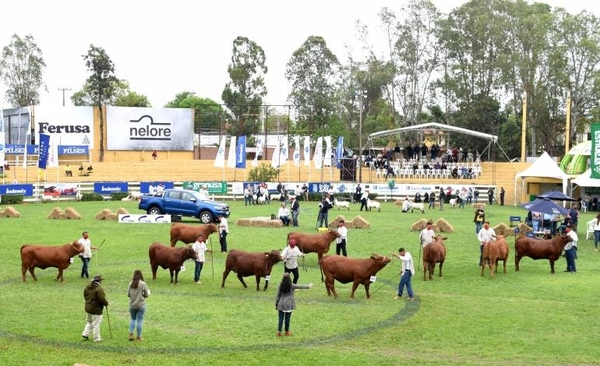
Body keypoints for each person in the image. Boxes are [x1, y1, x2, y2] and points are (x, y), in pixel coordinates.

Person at [81, 274, 109, 343]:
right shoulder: (99, 289)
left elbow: (84, 294)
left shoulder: (88, 286)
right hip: (96, 309)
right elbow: (102, 298)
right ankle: (96, 338)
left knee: (90, 321)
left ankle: (85, 334)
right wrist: (106, 303)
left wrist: (88, 301)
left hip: (88, 307)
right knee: (96, 324)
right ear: (99, 281)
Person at [128, 269, 150, 341]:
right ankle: (138, 337)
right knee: (139, 321)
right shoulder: (143, 283)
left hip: (132, 305)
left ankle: (131, 334)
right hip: (141, 305)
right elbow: (146, 294)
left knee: (132, 319)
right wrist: (144, 294)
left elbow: (128, 294)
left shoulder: (130, 283)